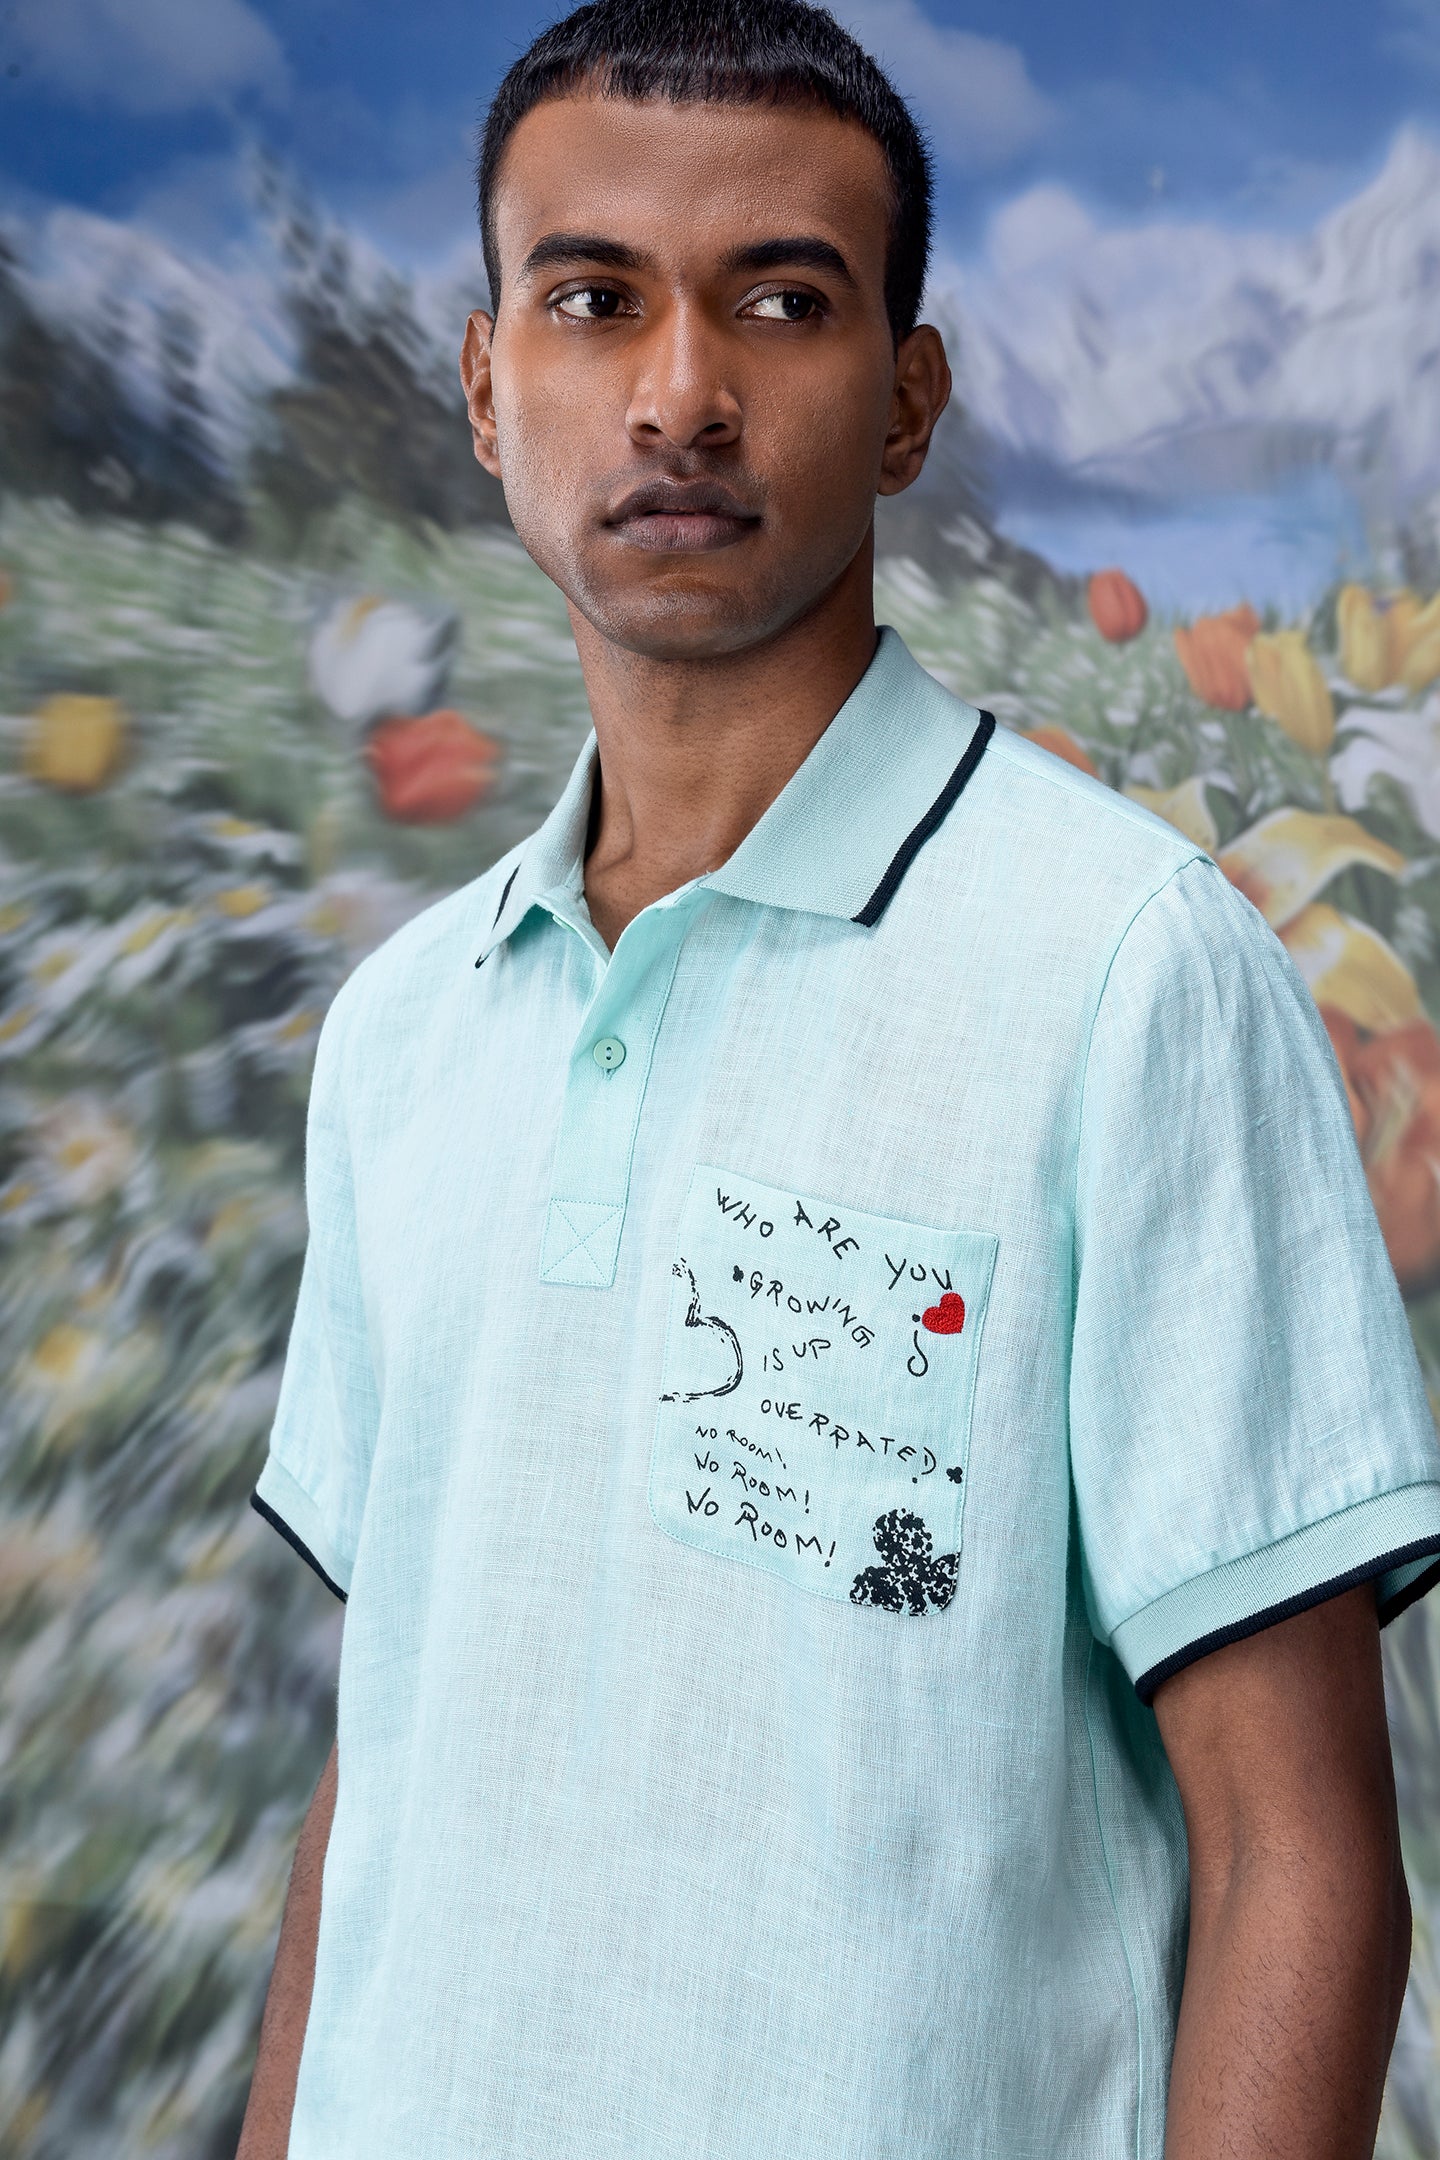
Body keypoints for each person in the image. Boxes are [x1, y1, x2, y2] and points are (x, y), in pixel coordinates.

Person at [237, 3, 1440, 2155]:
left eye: (782, 303)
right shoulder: (405, 1030)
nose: (680, 394)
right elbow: (387, 1757)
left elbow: (1300, 1854)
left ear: (906, 401)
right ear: (488, 385)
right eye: (594, 300)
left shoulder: (1130, 978)